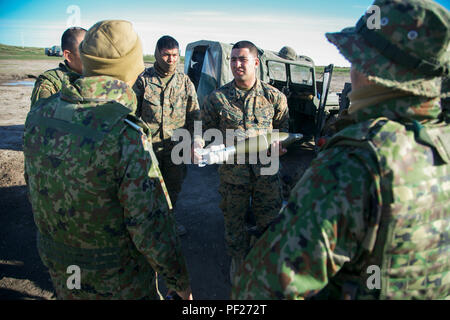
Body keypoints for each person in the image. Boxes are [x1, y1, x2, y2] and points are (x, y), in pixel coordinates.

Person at [232, 0, 450, 300]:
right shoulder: (439, 141)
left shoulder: (355, 162)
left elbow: (263, 288)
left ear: (372, 69)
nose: (352, 70)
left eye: (356, 59)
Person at [23, 20, 192, 300]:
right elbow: (149, 225)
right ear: (131, 65)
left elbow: (35, 189)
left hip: (61, 269)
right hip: (117, 279)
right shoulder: (125, 133)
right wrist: (180, 281)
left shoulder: (40, 114)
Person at [201, 40, 289, 281]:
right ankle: (239, 263)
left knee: (270, 222)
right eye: (233, 59)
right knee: (233, 223)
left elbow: (283, 129)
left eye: (243, 59)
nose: (237, 64)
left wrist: (280, 148)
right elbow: (202, 130)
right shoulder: (217, 98)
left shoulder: (274, 97)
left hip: (266, 174)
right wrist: (201, 144)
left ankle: (265, 262)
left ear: (256, 63)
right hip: (232, 176)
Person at [133, 35, 201, 236]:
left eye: (174, 55)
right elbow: (131, 114)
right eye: (166, 55)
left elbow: (194, 113)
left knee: (173, 188)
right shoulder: (144, 80)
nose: (171, 60)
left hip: (176, 148)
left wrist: (195, 140)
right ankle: (148, 227)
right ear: (157, 54)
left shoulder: (184, 82)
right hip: (149, 148)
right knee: (148, 189)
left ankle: (168, 223)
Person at [30, 27, 86, 107]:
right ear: (68, 56)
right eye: (85, 52)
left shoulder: (98, 77)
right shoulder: (49, 83)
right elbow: (38, 117)